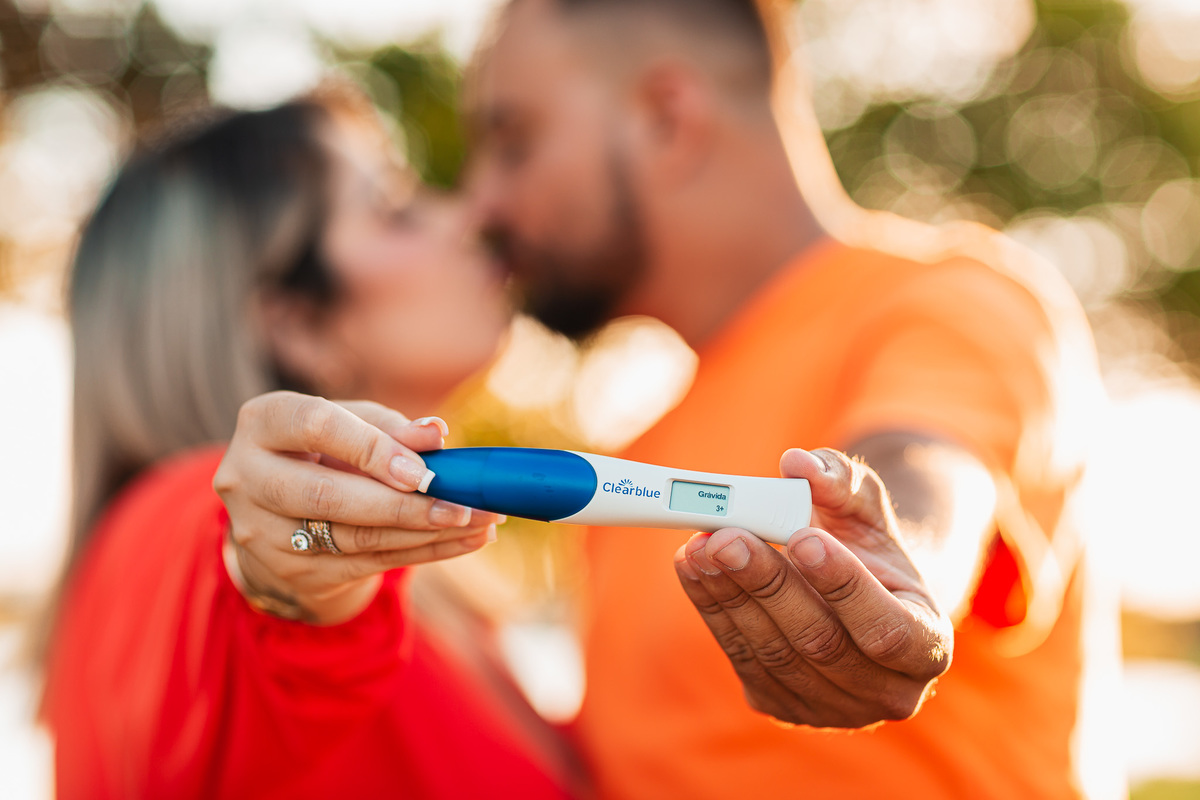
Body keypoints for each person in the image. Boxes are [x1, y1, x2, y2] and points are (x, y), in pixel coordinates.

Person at [210, 1, 1106, 798]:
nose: (481, 200)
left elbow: (929, 478)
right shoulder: (628, 471)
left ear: (667, 118)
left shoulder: (951, 300)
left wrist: (892, 573)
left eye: (514, 138)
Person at [41, 86, 575, 799]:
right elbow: (234, 558)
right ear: (296, 323)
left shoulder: (438, 599)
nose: (467, 214)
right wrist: (269, 567)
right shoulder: (161, 532)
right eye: (394, 211)